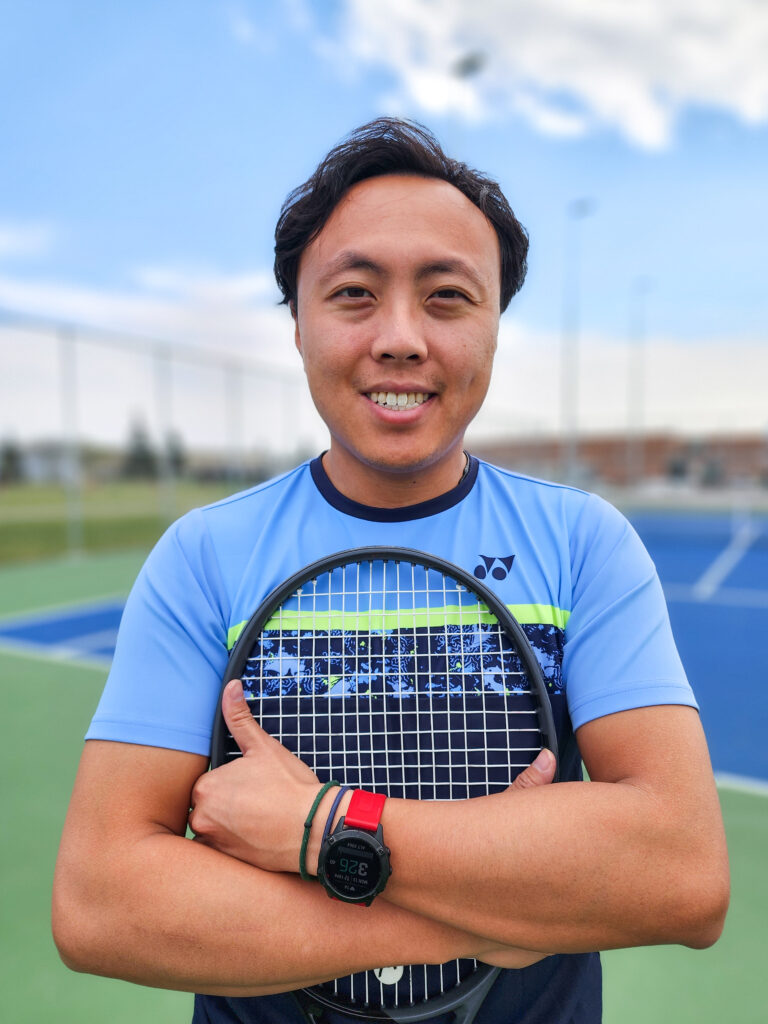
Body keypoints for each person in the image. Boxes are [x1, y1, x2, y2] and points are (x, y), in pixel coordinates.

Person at [53, 118, 729, 1024]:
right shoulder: (202, 557)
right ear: (298, 325)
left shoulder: (585, 543)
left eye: (448, 296)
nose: (402, 337)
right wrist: (484, 911)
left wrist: (322, 827)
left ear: (494, 325)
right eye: (354, 294)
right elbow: (102, 903)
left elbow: (681, 875)